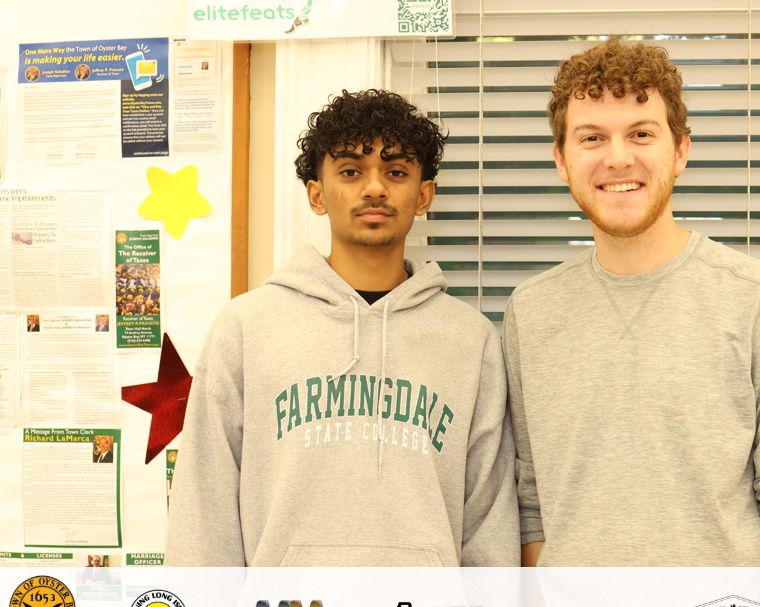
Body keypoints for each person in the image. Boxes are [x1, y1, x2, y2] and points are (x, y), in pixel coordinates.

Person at [505, 39, 760, 567]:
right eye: (592, 137)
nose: (618, 157)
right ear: (561, 161)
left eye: (641, 134)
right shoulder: (531, 312)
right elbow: (532, 504)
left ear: (680, 150)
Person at [166, 89, 518, 567]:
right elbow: (203, 512)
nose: (374, 188)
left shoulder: (470, 341)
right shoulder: (247, 327)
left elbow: (489, 522)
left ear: (424, 195)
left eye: (396, 172)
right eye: (351, 171)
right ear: (316, 194)